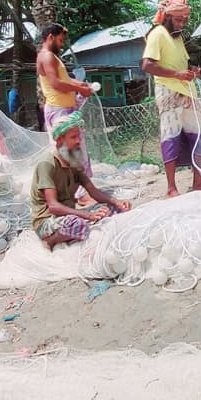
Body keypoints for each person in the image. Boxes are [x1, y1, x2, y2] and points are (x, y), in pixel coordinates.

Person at [31, 113, 131, 249]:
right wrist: (87, 215)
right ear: (60, 140)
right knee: (76, 223)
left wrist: (117, 202)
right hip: (48, 220)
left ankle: (73, 234)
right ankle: (50, 241)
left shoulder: (74, 162)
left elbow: (94, 192)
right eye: (73, 137)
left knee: (113, 209)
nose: (78, 141)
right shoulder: (47, 164)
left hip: (69, 214)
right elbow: (53, 206)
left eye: (79, 136)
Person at [141, 0, 201, 197]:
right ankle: (171, 187)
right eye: (178, 20)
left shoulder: (178, 38)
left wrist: (193, 71)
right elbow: (147, 65)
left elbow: (181, 65)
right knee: (170, 136)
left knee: (198, 136)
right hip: (168, 93)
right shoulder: (158, 34)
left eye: (184, 21)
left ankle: (198, 180)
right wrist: (177, 75)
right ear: (168, 17)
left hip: (188, 92)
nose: (181, 24)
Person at [36, 24, 96, 203]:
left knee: (76, 150)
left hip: (65, 109)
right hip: (59, 110)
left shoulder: (53, 57)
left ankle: (78, 192)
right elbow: (55, 83)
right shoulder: (46, 56)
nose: (62, 45)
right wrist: (78, 87)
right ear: (50, 37)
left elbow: (64, 79)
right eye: (60, 40)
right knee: (69, 153)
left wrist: (80, 85)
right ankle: (78, 194)